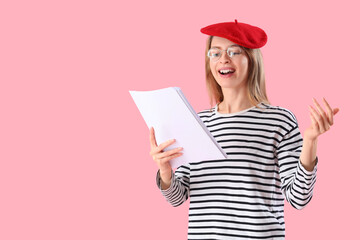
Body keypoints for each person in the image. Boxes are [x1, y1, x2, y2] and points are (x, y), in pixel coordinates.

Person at [149, 20, 339, 240]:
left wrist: (310, 142)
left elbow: (299, 199)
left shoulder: (279, 120)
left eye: (234, 52)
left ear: (252, 60)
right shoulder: (195, 122)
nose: (223, 59)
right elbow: (177, 198)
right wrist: (165, 171)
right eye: (215, 53)